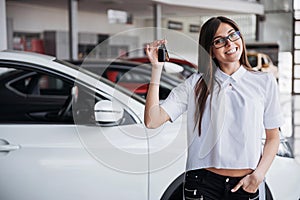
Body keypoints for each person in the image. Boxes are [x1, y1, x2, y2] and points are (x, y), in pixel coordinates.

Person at [144, 16, 284, 200]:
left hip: (245, 185)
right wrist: (156, 69)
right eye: (219, 41)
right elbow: (152, 120)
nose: (230, 43)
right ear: (210, 50)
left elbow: (273, 137)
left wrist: (258, 176)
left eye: (233, 35)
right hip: (202, 185)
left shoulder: (264, 82)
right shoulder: (195, 84)